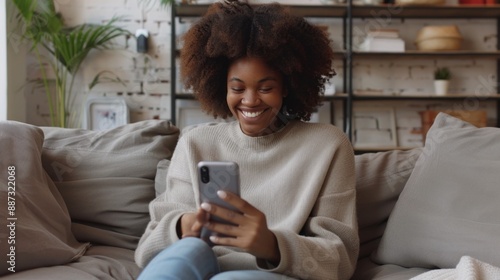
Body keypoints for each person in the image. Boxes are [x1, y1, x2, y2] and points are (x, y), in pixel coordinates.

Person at [134, 1, 359, 279]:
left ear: (286, 87)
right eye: (237, 88)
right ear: (220, 86)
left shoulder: (328, 145)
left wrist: (271, 245)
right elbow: (146, 251)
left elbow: (340, 260)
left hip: (271, 273)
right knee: (187, 254)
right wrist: (184, 227)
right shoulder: (196, 142)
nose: (250, 100)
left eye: (266, 88)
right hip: (197, 266)